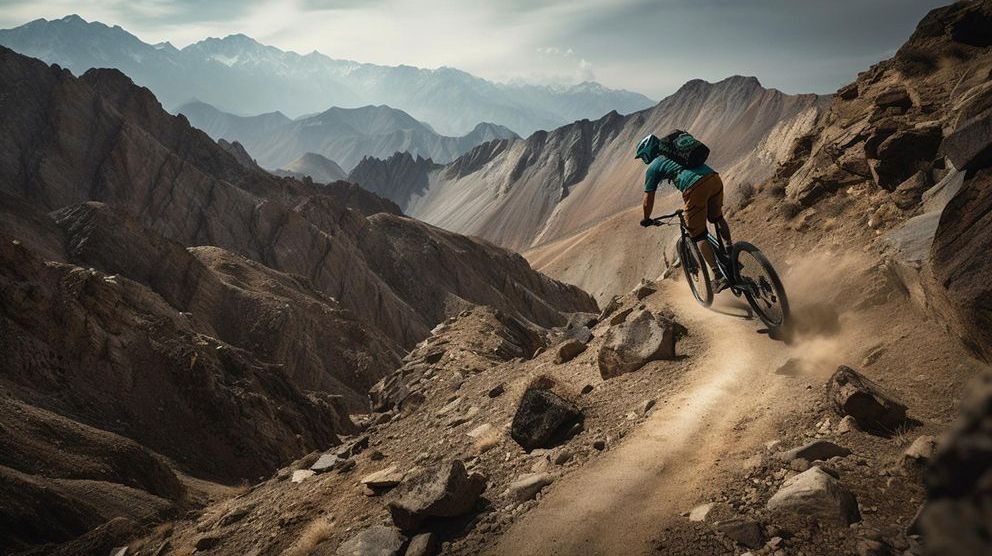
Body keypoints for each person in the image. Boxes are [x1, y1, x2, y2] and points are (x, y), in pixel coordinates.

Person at [635, 133, 732, 291]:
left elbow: (648, 199)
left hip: (694, 187)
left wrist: (646, 218)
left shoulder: (653, 167)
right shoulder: (675, 152)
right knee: (717, 218)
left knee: (698, 234)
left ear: (647, 152)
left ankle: (718, 276)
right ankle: (730, 250)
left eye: (642, 156)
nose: (643, 160)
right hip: (714, 178)